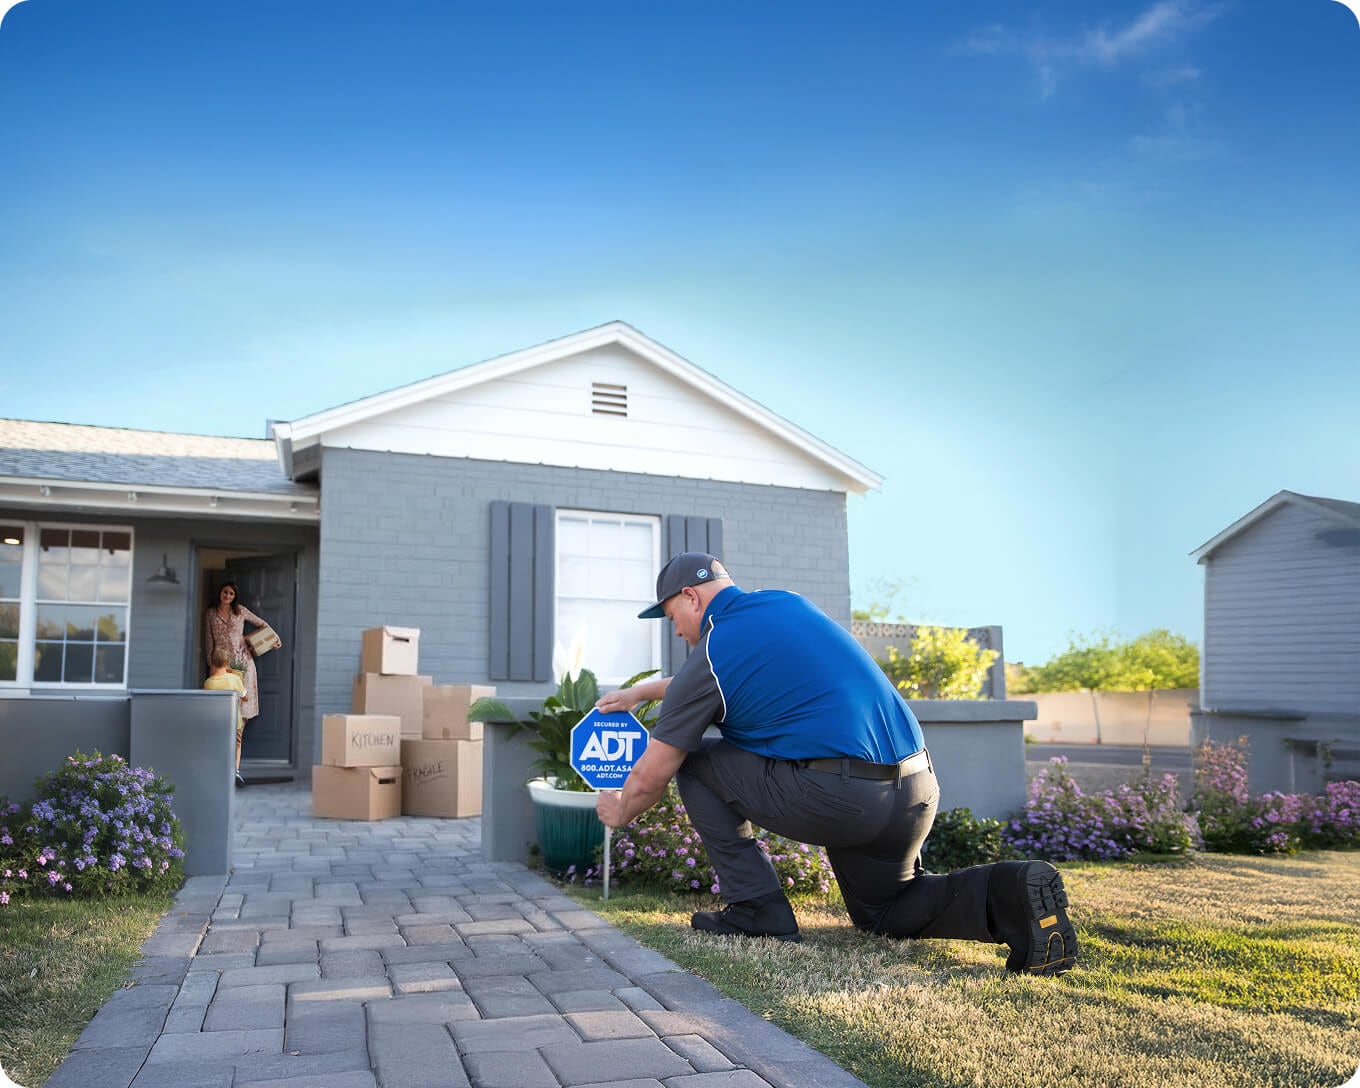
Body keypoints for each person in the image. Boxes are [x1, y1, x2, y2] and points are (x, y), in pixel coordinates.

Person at [595, 552, 1078, 976]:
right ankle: (1010, 893)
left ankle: (756, 908)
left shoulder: (715, 647)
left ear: (691, 597)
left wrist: (621, 813)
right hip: (914, 790)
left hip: (840, 798)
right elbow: (706, 677)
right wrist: (639, 692)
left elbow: (653, 773)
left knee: (694, 763)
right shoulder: (786, 605)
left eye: (671, 614)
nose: (676, 629)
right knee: (885, 910)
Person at [204, 581, 280, 785]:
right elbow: (209, 641)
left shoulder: (241, 612)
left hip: (242, 662)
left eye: (231, 594)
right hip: (221, 663)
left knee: (241, 714)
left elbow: (262, 624)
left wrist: (268, 640)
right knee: (221, 715)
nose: (227, 596)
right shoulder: (211, 614)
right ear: (220, 593)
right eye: (225, 592)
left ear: (234, 596)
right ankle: (221, 767)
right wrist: (210, 664)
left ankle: (234, 770)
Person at [204, 647, 248, 786]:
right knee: (237, 743)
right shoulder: (234, 679)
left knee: (218, 744)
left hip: (216, 721)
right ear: (228, 663)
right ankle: (235, 770)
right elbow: (245, 697)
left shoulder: (209, 683)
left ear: (211, 663)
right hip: (234, 720)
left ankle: (219, 770)